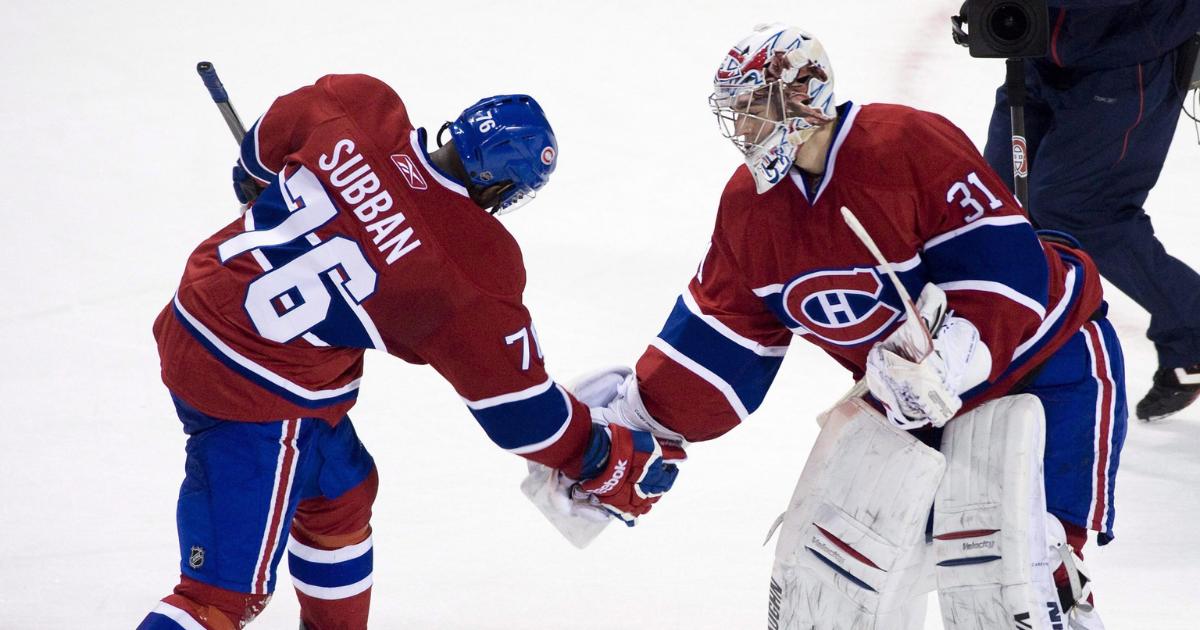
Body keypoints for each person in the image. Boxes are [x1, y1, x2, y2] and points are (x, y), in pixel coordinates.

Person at [579, 24, 1126, 627]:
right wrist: (635, 425)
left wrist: (955, 355)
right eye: (737, 112)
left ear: (807, 96)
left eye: (757, 107)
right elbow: (719, 335)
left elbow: (1002, 266)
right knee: (836, 579)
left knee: (1023, 567)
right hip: (913, 406)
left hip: (1048, 364)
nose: (745, 129)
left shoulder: (905, 143)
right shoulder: (751, 209)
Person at [137, 74, 683, 630]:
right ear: (502, 192)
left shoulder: (352, 103)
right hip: (257, 387)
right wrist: (596, 452)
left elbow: (254, 163)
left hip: (200, 309)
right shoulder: (471, 268)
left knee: (340, 493)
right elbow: (519, 414)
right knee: (216, 601)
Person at [981, 0, 1200, 421]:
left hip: (1126, 57)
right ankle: (1004, 348)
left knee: (1083, 210)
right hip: (1036, 43)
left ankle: (1192, 329)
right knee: (998, 202)